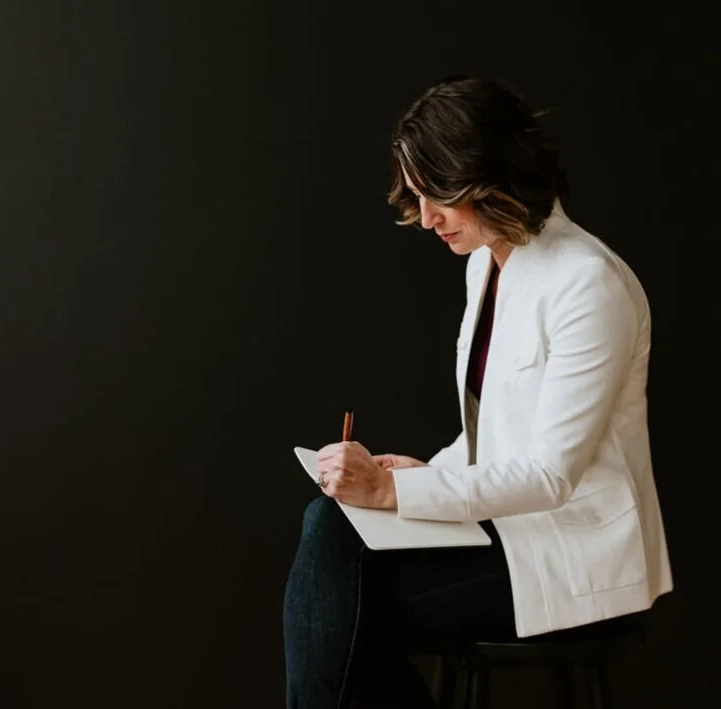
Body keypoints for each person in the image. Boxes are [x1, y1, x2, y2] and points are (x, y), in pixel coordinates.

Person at [283, 74, 673, 709]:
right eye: (417, 195)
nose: (427, 218)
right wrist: (423, 471)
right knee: (329, 526)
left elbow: (551, 474)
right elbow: (494, 430)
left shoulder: (588, 283)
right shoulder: (485, 262)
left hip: (573, 552)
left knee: (341, 622)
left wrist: (391, 491)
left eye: (442, 195)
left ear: (497, 177)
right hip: (505, 534)